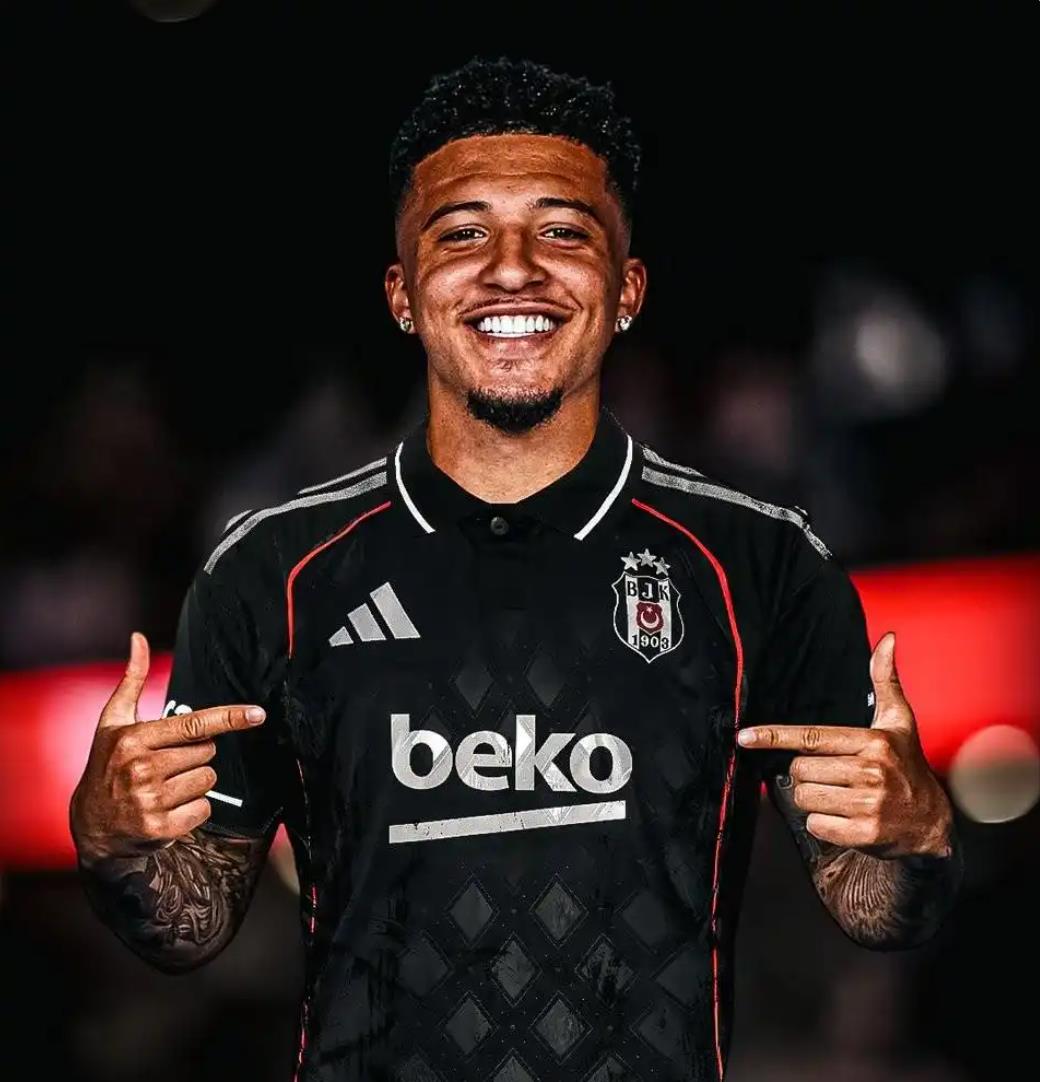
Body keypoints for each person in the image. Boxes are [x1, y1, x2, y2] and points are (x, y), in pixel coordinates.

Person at [69, 57, 962, 1082]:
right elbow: (186, 922)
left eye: (562, 230)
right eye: (461, 233)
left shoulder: (759, 563)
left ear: (626, 290)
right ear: (402, 295)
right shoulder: (272, 572)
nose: (511, 269)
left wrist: (918, 835)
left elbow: (874, 906)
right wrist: (111, 842)